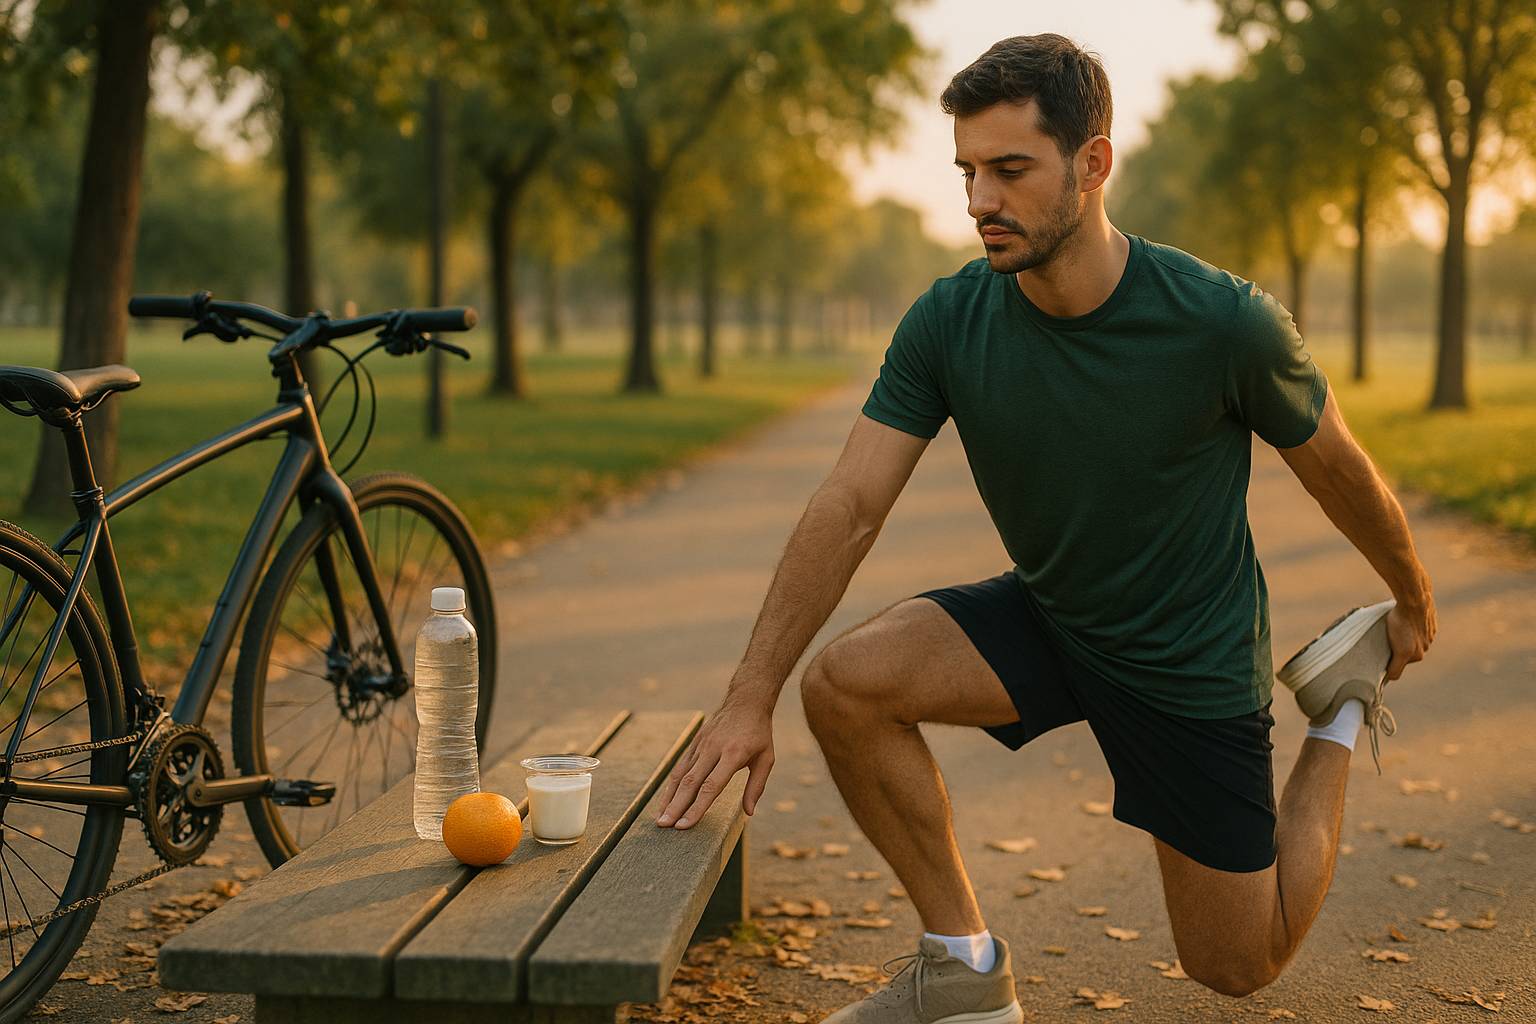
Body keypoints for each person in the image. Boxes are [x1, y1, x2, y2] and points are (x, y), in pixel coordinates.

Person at [654, 32, 1437, 1022]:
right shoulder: (950, 320)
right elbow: (851, 503)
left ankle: (1339, 708)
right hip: (1060, 619)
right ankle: (964, 971)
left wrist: (1410, 598)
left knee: (1238, 964)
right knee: (844, 687)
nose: (981, 199)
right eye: (968, 171)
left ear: (1093, 163)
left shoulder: (1221, 323)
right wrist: (746, 696)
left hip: (1188, 664)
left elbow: (1338, 466)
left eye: (1010, 169)